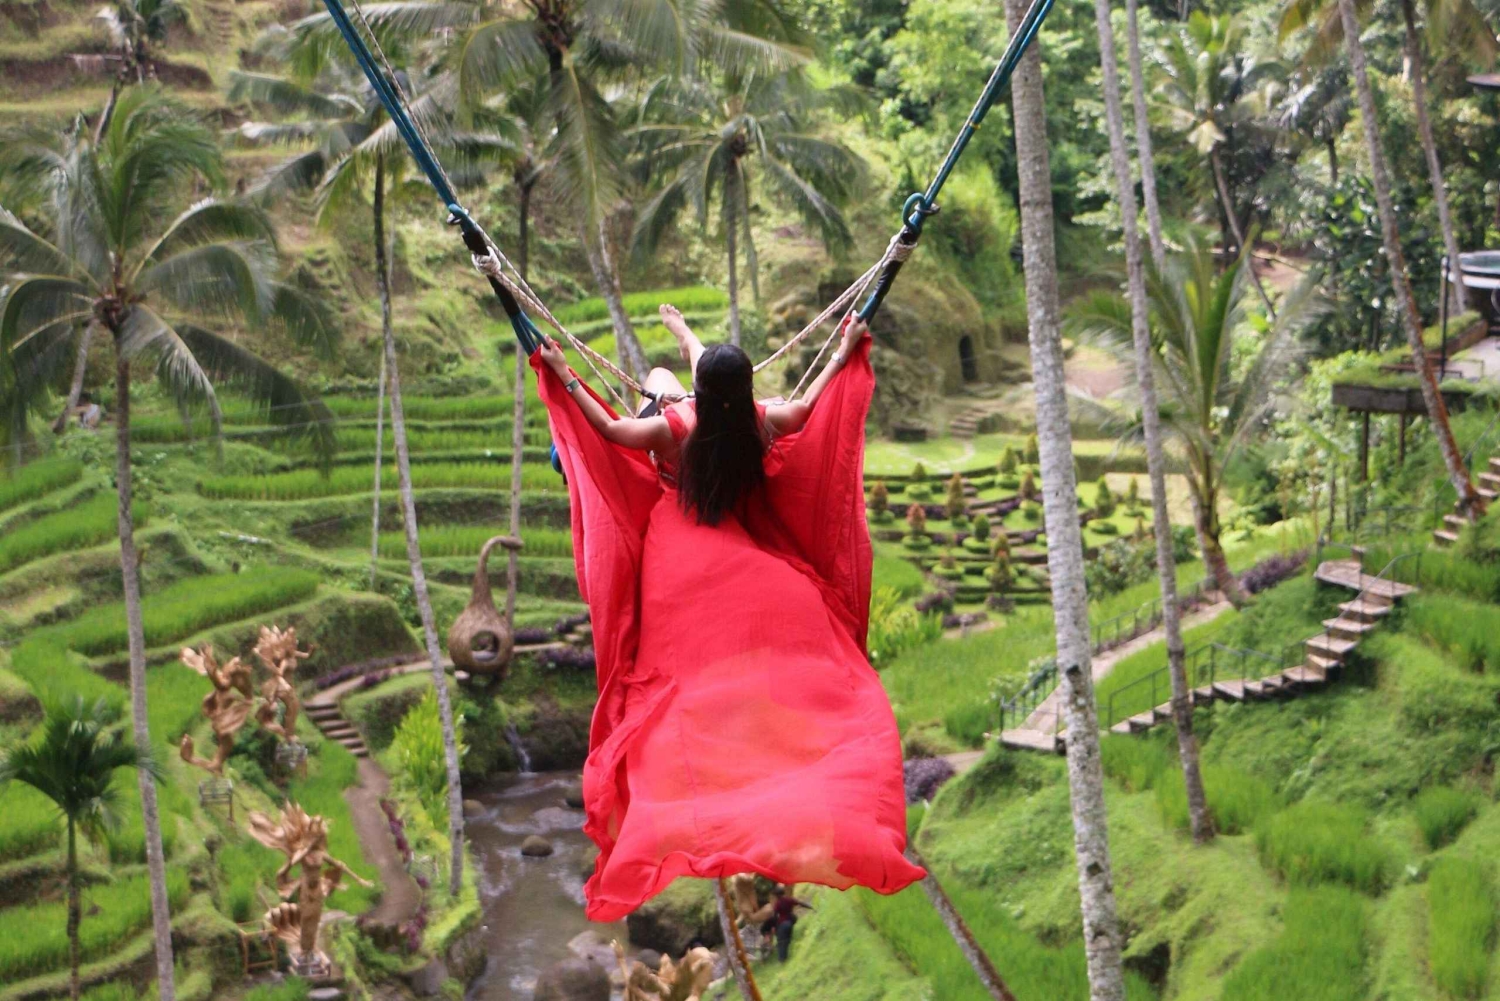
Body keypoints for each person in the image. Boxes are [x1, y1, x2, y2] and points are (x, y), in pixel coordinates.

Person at [533, 298, 925, 923]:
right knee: (665, 377)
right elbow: (811, 402)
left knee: (658, 381)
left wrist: (563, 375)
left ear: (702, 393)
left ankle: (565, 453)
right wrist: (843, 352)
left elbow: (608, 431)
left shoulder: (673, 427)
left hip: (678, 550)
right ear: (743, 391)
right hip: (741, 545)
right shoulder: (763, 421)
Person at [759, 886, 813, 962]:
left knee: (782, 942)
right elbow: (800, 903)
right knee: (786, 938)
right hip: (790, 920)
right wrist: (810, 907)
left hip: (783, 924)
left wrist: (775, 927)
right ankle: (785, 946)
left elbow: (775, 916)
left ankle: (782, 959)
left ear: (776, 896)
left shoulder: (778, 904)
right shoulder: (789, 899)